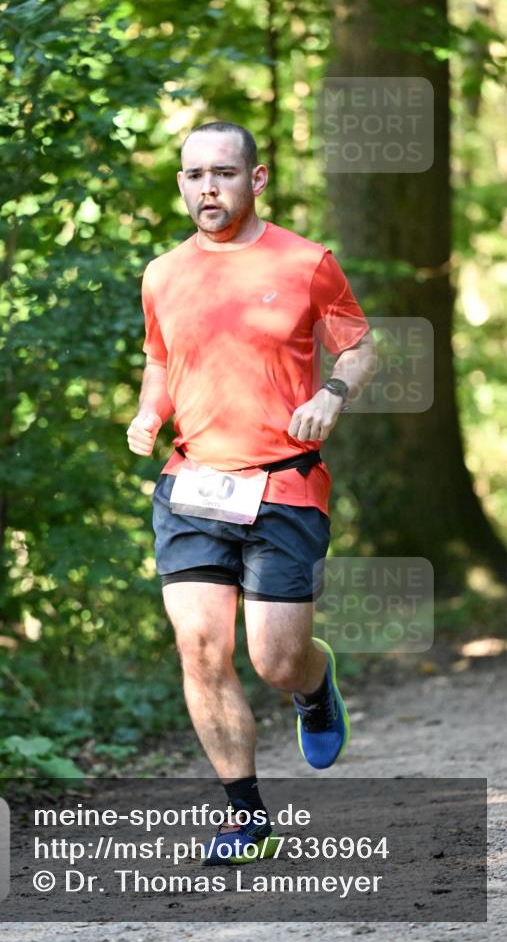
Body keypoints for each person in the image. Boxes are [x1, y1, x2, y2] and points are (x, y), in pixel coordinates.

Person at [127, 121, 377, 866]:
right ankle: (245, 817)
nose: (208, 187)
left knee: (273, 658)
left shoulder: (306, 263)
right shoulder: (162, 273)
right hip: (192, 485)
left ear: (256, 178)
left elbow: (359, 347)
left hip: (284, 486)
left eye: (224, 173)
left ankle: (311, 682)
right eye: (194, 174)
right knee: (199, 649)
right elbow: (160, 361)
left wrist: (333, 391)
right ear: (180, 183)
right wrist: (148, 412)